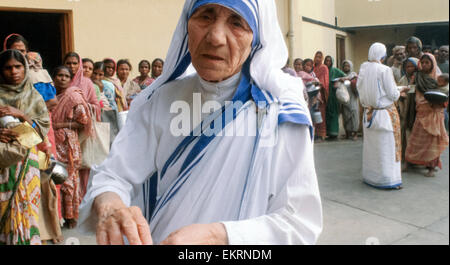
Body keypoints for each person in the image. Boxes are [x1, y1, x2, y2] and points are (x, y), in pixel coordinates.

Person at [78, 0, 322, 245]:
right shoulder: (159, 100)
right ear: (187, 24)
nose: (215, 37)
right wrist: (111, 204)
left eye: (237, 22)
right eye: (205, 16)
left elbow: (299, 224)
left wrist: (219, 237)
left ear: (256, 38)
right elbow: (114, 175)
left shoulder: (281, 113)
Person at [0, 49, 50, 245]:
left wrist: (20, 114)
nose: (14, 71)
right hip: (2, 163)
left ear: (25, 68)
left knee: (26, 207)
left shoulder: (33, 95)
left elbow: (42, 129)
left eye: (18, 66)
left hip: (26, 162)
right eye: (8, 68)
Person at [357, 42, 408, 190]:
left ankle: (371, 176)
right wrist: (400, 91)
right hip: (384, 114)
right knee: (387, 147)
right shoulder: (384, 70)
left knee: (372, 148)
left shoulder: (363, 67)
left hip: (369, 112)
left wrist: (395, 90)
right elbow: (392, 94)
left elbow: (366, 88)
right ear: (383, 55)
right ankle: (388, 179)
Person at [52, 66, 93, 229]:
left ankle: (71, 217)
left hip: (68, 145)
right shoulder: (49, 96)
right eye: (59, 75)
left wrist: (61, 125)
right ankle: (56, 218)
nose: (62, 79)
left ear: (71, 79)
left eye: (66, 76)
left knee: (69, 181)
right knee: (53, 179)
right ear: (54, 78)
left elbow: (83, 122)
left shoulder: (73, 97)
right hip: (53, 142)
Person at [405, 53, 449, 177]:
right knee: (415, 140)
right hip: (421, 113)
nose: (424, 65)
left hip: (435, 114)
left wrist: (437, 103)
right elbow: (412, 91)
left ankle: (431, 167)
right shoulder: (417, 76)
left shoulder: (439, 79)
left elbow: (445, 97)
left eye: (427, 63)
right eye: (422, 62)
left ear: (432, 64)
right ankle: (409, 163)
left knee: (432, 143)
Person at [397, 57, 419, 163]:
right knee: (405, 134)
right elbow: (398, 92)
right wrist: (401, 95)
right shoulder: (403, 79)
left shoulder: (420, 79)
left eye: (411, 66)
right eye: (406, 67)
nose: (408, 69)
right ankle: (406, 158)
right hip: (405, 111)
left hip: (416, 111)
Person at [324, 55, 346, 140]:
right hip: (325, 95)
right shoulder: (323, 70)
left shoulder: (335, 70)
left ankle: (334, 132)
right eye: (326, 61)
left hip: (334, 95)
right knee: (326, 114)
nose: (327, 63)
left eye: (329, 61)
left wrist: (339, 80)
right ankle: (327, 132)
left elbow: (344, 76)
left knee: (334, 113)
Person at [340, 60, 359, 141]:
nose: (346, 67)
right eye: (345, 66)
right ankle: (347, 133)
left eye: (348, 66)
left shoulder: (353, 74)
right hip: (345, 99)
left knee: (354, 115)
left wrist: (346, 79)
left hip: (353, 98)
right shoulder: (341, 75)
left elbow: (355, 82)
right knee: (346, 115)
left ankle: (355, 133)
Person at [313, 51, 330, 141]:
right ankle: (315, 133)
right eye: (316, 56)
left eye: (320, 57)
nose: (318, 59)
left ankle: (321, 134)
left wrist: (319, 86)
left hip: (321, 94)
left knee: (321, 114)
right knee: (313, 113)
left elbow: (325, 81)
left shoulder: (324, 68)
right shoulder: (313, 67)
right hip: (312, 93)